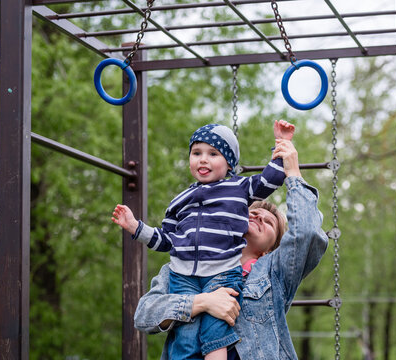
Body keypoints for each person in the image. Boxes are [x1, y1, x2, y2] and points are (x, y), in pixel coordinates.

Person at [112, 121, 296, 359]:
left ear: (229, 164)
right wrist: (137, 227)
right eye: (196, 153)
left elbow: (270, 180)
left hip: (222, 272)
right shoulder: (180, 201)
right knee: (186, 337)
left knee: (215, 331)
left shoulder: (238, 189)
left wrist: (282, 144)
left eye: (213, 154)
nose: (203, 160)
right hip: (185, 273)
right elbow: (167, 240)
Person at [133, 139, 329, 360]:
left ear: (270, 249)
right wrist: (202, 302)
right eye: (252, 213)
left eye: (269, 222)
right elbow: (144, 315)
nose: (258, 217)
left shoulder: (274, 271)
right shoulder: (184, 265)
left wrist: (292, 173)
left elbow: (307, 232)